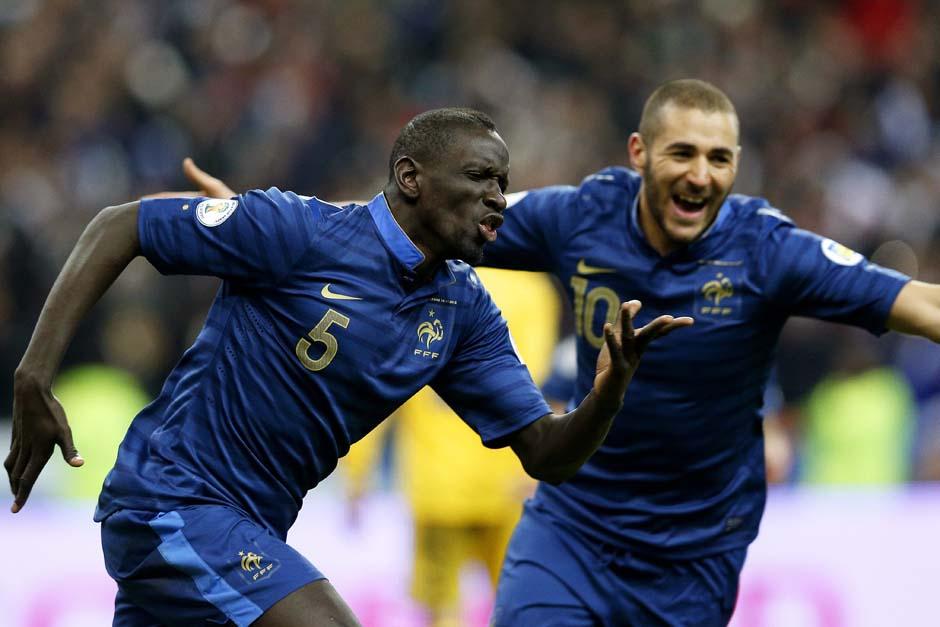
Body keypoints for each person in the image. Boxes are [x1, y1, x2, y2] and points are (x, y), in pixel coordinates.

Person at [177, 80, 940, 626]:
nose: (701, 175)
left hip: (696, 554)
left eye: (720, 159)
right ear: (640, 152)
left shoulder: (768, 250)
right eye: (683, 153)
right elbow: (428, 220)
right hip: (573, 528)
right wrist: (280, 226)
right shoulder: (580, 219)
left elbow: (918, 302)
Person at [5, 107, 692, 627]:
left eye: (504, 184)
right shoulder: (298, 231)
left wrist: (609, 388)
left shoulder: (462, 311)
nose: (497, 198)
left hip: (249, 528)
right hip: (173, 502)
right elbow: (119, 225)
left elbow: (546, 452)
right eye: (480, 177)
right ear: (410, 178)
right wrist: (33, 376)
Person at [342, 267, 559, 627]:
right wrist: (539, 466)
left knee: (441, 609)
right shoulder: (533, 288)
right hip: (510, 480)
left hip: (438, 488)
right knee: (520, 603)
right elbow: (543, 384)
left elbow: (380, 390)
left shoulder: (418, 282)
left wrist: (356, 473)